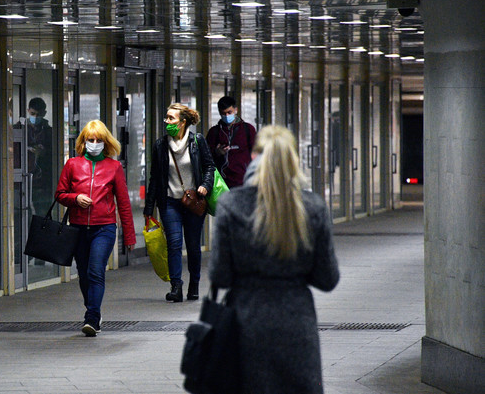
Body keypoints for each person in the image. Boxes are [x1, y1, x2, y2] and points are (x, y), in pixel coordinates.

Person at [209, 125, 340, 394]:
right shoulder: (313, 207)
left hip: (245, 322)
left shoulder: (231, 205)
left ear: (254, 157)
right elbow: (327, 279)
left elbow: (220, 275)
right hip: (296, 323)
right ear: (293, 159)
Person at [55, 120, 136, 337]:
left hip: (105, 228)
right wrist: (75, 198)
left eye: (98, 140)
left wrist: (128, 234)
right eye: (90, 140)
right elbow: (60, 194)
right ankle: (93, 308)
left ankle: (92, 318)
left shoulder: (114, 167)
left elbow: (124, 202)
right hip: (79, 228)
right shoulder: (72, 164)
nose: (94, 144)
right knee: (83, 275)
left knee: (95, 271)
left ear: (106, 142)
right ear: (83, 142)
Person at [144, 103, 215, 302]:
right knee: (174, 243)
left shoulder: (197, 141)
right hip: (169, 202)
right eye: (166, 118)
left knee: (193, 245)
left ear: (183, 122)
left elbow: (209, 166)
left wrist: (205, 185)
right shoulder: (160, 145)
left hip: (193, 202)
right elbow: (155, 178)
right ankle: (176, 285)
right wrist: (149, 208)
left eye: (171, 118)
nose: (167, 122)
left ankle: (194, 283)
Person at [206, 96, 257, 188]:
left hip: (243, 180)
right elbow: (206, 157)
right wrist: (217, 152)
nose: (226, 116)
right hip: (221, 183)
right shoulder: (214, 132)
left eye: (229, 112)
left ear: (236, 110)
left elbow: (256, 153)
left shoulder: (248, 129)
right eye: (223, 113)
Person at [25, 97, 53, 216]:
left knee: (42, 213)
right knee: (22, 213)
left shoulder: (49, 132)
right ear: (28, 111)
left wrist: (44, 152)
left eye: (38, 114)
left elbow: (55, 155)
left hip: (42, 181)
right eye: (33, 114)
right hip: (24, 178)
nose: (35, 117)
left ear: (44, 113)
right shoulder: (20, 130)